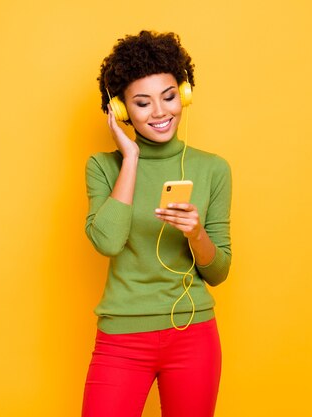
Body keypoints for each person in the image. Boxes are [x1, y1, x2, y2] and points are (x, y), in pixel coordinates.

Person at [82, 30, 232, 417]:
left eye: (168, 97)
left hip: (193, 335)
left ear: (183, 94)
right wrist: (129, 157)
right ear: (120, 110)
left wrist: (196, 233)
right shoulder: (103, 166)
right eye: (142, 103)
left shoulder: (213, 169)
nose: (161, 113)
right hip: (122, 338)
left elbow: (218, 271)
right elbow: (109, 242)